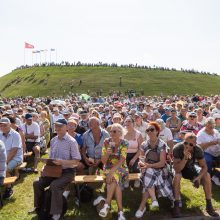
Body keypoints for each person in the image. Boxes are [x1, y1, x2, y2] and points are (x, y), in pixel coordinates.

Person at [32, 119, 81, 220]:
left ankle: (56, 212)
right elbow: (51, 159)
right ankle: (39, 207)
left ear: (66, 127)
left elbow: (76, 161)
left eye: (60, 126)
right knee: (37, 183)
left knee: (55, 185)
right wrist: (45, 166)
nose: (57, 128)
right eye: (56, 126)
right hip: (53, 171)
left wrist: (62, 162)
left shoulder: (72, 142)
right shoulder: (53, 140)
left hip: (68, 171)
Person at [172, 133, 219, 218]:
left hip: (191, 167)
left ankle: (209, 205)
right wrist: (185, 157)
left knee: (207, 175)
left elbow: (204, 167)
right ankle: (176, 204)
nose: (187, 146)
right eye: (185, 143)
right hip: (179, 167)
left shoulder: (198, 149)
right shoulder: (177, 148)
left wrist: (198, 178)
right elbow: (177, 169)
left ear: (195, 144)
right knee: (177, 176)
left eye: (190, 144)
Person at [136, 122, 174, 218]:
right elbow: (141, 158)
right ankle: (153, 200)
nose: (149, 132)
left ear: (157, 131)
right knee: (148, 172)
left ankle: (145, 205)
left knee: (147, 180)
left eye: (152, 129)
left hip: (160, 169)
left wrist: (148, 165)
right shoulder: (144, 144)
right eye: (147, 130)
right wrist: (141, 163)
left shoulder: (162, 144)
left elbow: (162, 163)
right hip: (147, 168)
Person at [99, 123, 128, 220]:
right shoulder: (107, 142)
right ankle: (120, 212)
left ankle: (106, 204)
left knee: (114, 177)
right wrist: (107, 153)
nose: (111, 133)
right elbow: (103, 161)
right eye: (110, 131)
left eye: (114, 131)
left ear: (120, 133)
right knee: (117, 183)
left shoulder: (124, 143)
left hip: (121, 167)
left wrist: (112, 171)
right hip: (108, 167)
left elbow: (122, 159)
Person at [0, 117, 23, 199]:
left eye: (5, 125)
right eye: (1, 125)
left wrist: (4, 162)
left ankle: (9, 188)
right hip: (3, 157)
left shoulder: (15, 134)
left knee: (4, 169)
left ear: (10, 125)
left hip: (16, 158)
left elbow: (14, 151)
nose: (2, 127)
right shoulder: (0, 134)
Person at [196, 117, 220, 185]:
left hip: (217, 152)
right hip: (206, 152)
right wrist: (210, 143)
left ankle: (216, 176)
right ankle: (207, 178)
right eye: (210, 126)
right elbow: (198, 147)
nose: (212, 128)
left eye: (213, 126)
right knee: (207, 161)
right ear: (206, 125)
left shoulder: (216, 131)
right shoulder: (201, 134)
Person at [124, 116, 143, 188]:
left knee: (136, 168)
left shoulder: (138, 134)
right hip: (124, 154)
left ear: (133, 123)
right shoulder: (122, 133)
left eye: (129, 121)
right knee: (124, 167)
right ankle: (126, 179)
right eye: (126, 121)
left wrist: (134, 158)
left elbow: (140, 148)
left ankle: (137, 179)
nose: (127, 123)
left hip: (136, 154)